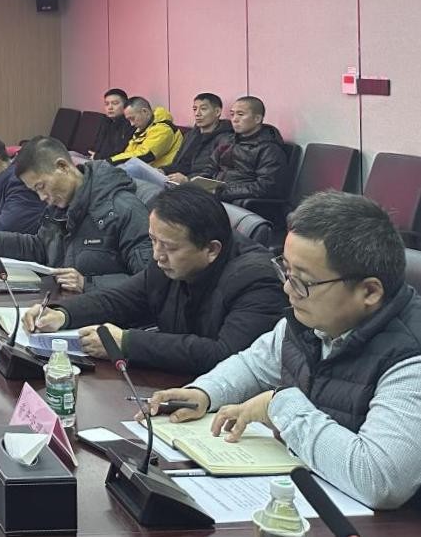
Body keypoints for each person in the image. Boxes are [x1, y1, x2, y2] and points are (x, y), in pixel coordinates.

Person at [149, 192, 421, 510]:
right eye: (286, 271)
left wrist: (279, 406)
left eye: (303, 280)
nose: (288, 288)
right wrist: (204, 393)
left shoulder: (410, 357)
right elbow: (254, 365)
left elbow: (381, 481)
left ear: (370, 291)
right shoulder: (312, 317)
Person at [22, 184, 285, 374]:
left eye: (168, 247)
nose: (157, 255)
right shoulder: (168, 261)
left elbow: (226, 355)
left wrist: (127, 342)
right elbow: (122, 299)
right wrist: (62, 314)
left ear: (211, 250)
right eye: (153, 240)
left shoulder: (257, 281)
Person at [0, 135, 152, 293]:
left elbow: (151, 280)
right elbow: (40, 247)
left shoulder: (123, 208)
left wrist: (88, 283)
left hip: (108, 317)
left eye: (41, 186)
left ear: (63, 167)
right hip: (64, 306)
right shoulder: (60, 207)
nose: (42, 197)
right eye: (35, 191)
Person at [182, 95, 289, 205]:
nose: (235, 119)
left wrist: (221, 193)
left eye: (240, 114)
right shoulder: (227, 140)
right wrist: (196, 182)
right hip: (216, 196)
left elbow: (266, 186)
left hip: (239, 202)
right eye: (232, 114)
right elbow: (210, 168)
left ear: (257, 119)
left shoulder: (269, 149)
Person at [163, 93, 234, 180]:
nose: (197, 113)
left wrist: (187, 180)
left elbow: (217, 173)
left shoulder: (226, 138)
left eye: (203, 109)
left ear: (217, 112)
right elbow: (178, 164)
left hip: (198, 184)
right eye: (195, 109)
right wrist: (163, 170)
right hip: (176, 181)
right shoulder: (190, 135)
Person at [110, 96, 183, 169]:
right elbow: (128, 153)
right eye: (129, 120)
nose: (131, 124)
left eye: (132, 118)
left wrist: (112, 160)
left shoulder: (164, 129)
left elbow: (146, 155)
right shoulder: (143, 128)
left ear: (145, 111)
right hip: (143, 169)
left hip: (162, 172)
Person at [90, 88, 133, 160]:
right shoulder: (106, 121)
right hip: (96, 159)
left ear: (126, 105)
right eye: (107, 104)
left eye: (115, 103)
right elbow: (97, 146)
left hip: (112, 162)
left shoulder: (130, 124)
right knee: (71, 154)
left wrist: (97, 156)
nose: (110, 107)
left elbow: (121, 153)